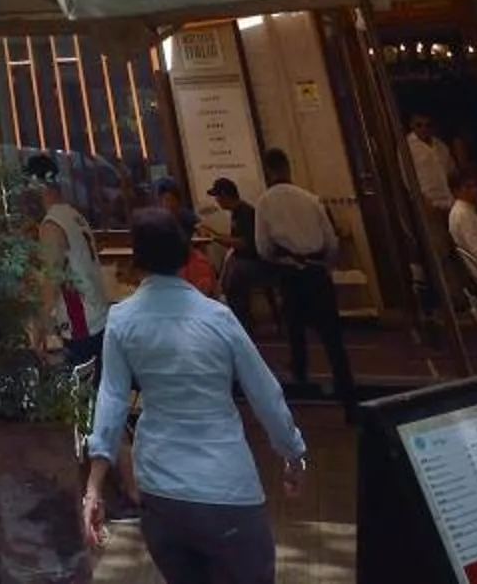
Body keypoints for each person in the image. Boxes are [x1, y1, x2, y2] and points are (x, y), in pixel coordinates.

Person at [80, 206, 309, 584]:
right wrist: (293, 454)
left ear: (137, 261)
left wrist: (93, 486)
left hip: (160, 492)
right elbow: (266, 395)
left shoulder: (121, 319)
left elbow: (112, 401)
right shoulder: (217, 317)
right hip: (227, 487)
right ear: (185, 252)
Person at [250, 149, 356, 404]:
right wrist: (323, 266)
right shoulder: (311, 199)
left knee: (296, 333)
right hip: (318, 273)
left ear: (268, 171)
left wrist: (282, 260)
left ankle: (301, 383)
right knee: (332, 337)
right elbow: (331, 242)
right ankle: (348, 394)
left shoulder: (264, 203)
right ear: (288, 168)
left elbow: (263, 248)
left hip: (290, 274)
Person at [26, 154, 110, 368]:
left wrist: (40, 327)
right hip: (98, 314)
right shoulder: (74, 215)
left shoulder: (52, 224)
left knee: (80, 391)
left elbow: (51, 278)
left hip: (81, 322)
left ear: (36, 184)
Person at [202, 177, 269, 326]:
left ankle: (241, 319)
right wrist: (214, 234)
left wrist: (215, 237)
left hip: (254, 261)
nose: (217, 201)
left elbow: (243, 243)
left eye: (218, 196)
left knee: (235, 274)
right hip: (246, 260)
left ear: (225, 195)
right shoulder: (237, 212)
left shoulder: (244, 213)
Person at [147, 178, 221, 298]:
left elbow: (201, 229)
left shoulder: (185, 215)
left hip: (187, 259)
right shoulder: (156, 219)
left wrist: (202, 233)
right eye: (163, 200)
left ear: (177, 200)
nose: (167, 204)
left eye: (170, 200)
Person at [402, 113, 454, 214]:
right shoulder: (407, 147)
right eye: (419, 125)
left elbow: (451, 171)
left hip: (449, 201)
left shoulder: (440, 145)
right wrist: (421, 199)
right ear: (411, 125)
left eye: (428, 125)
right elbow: (406, 177)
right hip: (428, 204)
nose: (424, 129)